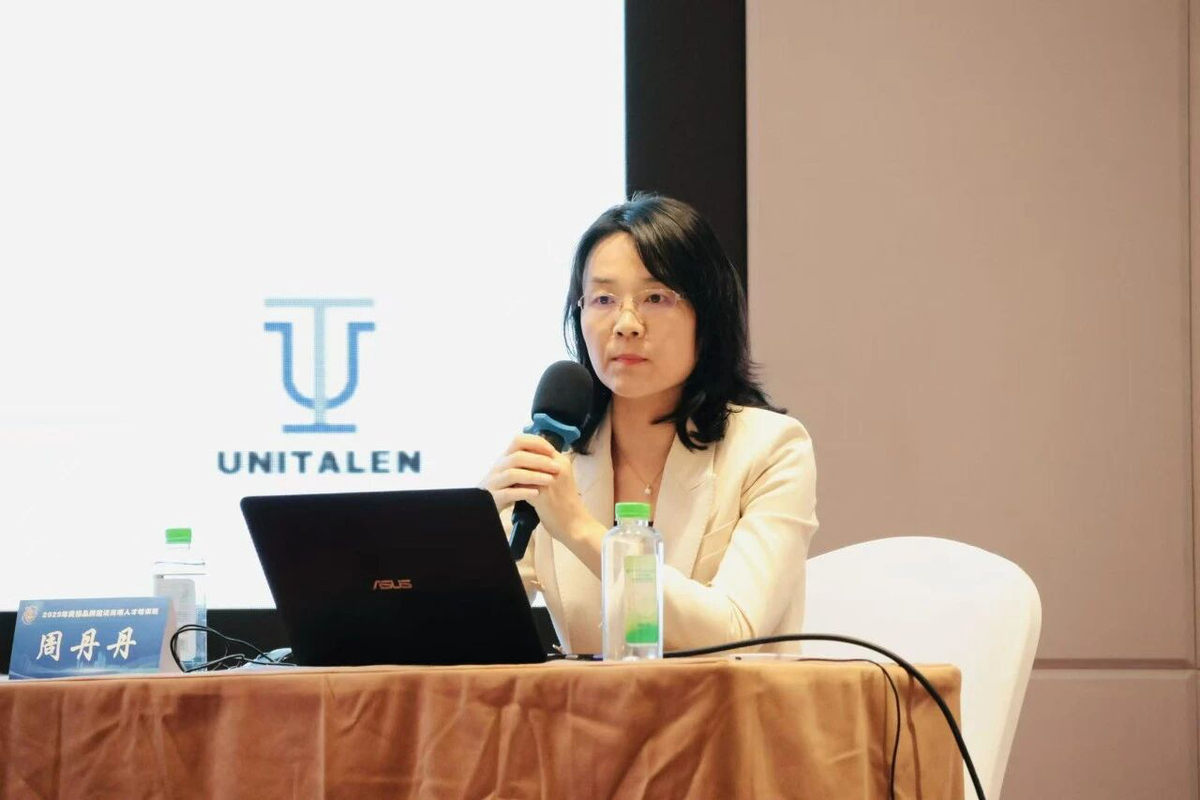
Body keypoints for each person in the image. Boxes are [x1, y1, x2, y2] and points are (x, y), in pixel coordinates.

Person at [481, 194, 817, 654]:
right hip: (585, 704)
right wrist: (475, 527)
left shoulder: (771, 449)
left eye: (655, 297)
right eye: (603, 299)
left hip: (726, 702)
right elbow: (461, 632)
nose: (626, 323)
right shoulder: (556, 456)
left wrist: (580, 529)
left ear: (708, 315)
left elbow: (734, 631)